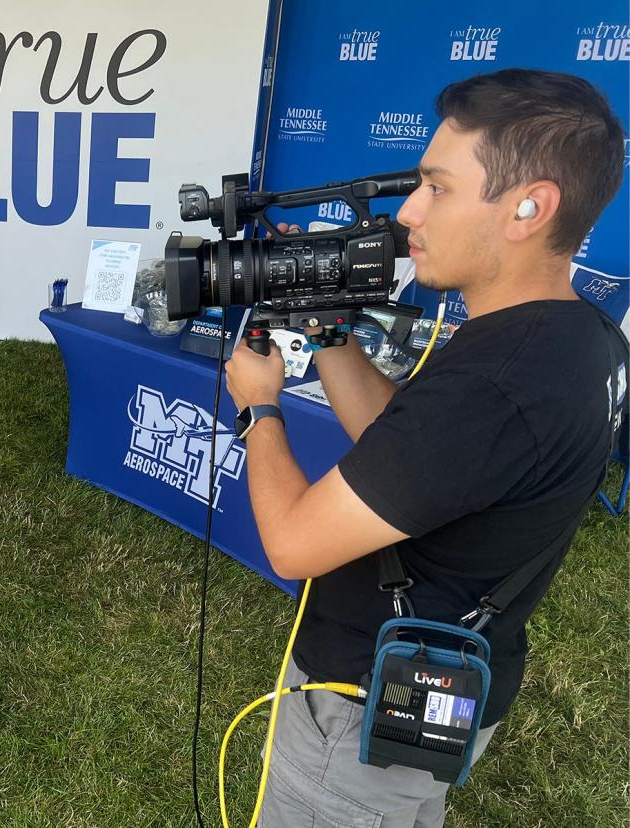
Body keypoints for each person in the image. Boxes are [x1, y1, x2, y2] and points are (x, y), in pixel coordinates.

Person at [224, 68, 627, 827]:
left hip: (361, 719)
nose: (409, 211)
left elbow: (291, 544)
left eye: (438, 188)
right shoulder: (579, 336)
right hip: (444, 687)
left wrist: (260, 409)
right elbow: (408, 448)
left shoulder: (500, 383)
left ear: (530, 206)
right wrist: (331, 332)